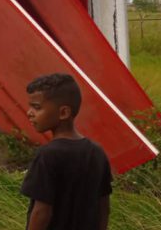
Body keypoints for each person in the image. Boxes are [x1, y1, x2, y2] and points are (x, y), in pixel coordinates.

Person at [21, 73, 112, 230]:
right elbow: (104, 206)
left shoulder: (47, 155)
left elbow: (41, 212)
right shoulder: (97, 152)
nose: (29, 112)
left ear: (63, 113)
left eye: (37, 107)